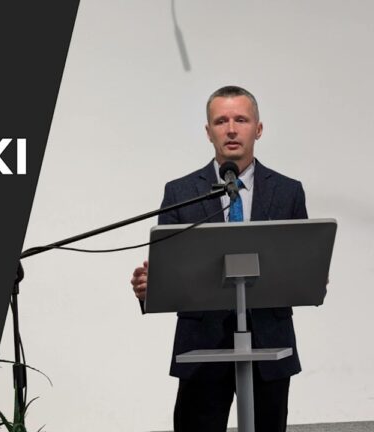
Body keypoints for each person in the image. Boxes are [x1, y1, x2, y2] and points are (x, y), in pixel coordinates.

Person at [130, 86, 307, 432]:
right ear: (208, 131)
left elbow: (299, 265)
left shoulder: (288, 191)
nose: (231, 129)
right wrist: (152, 288)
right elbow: (170, 271)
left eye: (241, 119)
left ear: (258, 129)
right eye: (221, 121)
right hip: (202, 345)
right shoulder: (180, 192)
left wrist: (308, 276)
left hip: (269, 342)